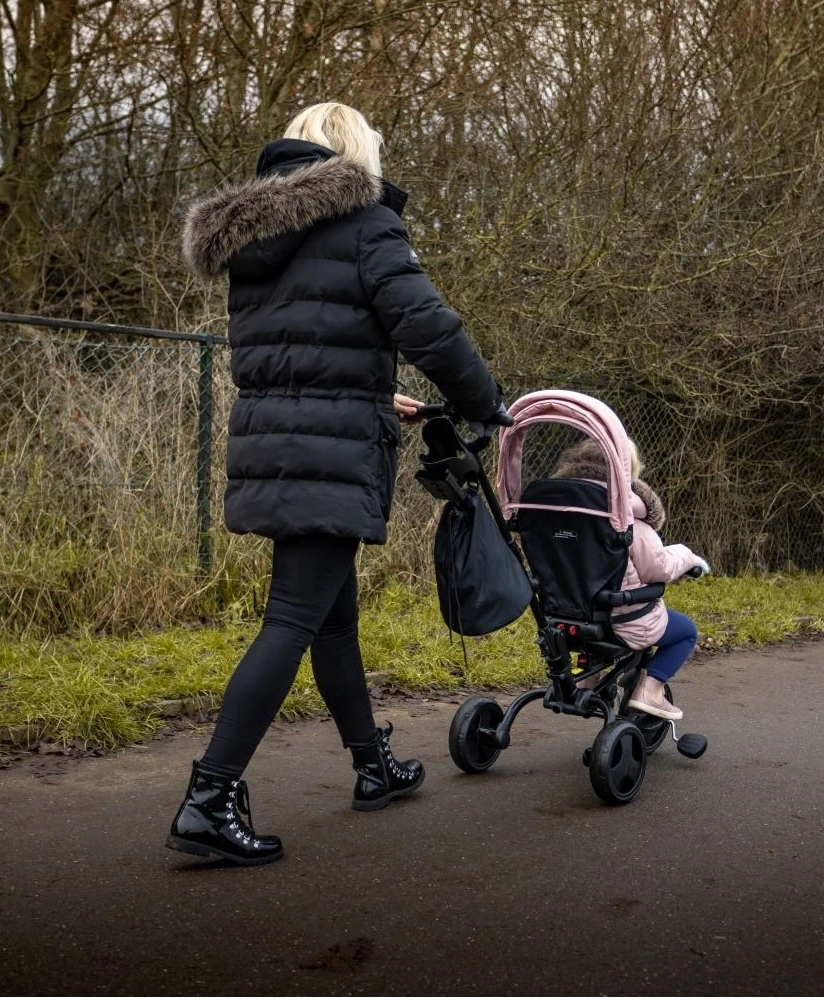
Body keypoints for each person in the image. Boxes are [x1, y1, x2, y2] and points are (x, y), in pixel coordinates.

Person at [169, 102, 508, 865]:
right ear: (354, 155)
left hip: (282, 445)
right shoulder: (365, 222)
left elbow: (293, 346)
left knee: (332, 619)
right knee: (292, 618)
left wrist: (368, 389)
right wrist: (488, 403)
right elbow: (428, 326)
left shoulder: (255, 233)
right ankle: (209, 797)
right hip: (330, 452)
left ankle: (371, 765)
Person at [552, 438, 708, 720]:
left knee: (593, 618)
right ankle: (650, 690)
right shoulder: (625, 518)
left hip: (565, 617)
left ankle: (586, 678)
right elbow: (657, 569)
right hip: (623, 620)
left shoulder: (555, 516)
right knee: (685, 631)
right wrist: (688, 557)